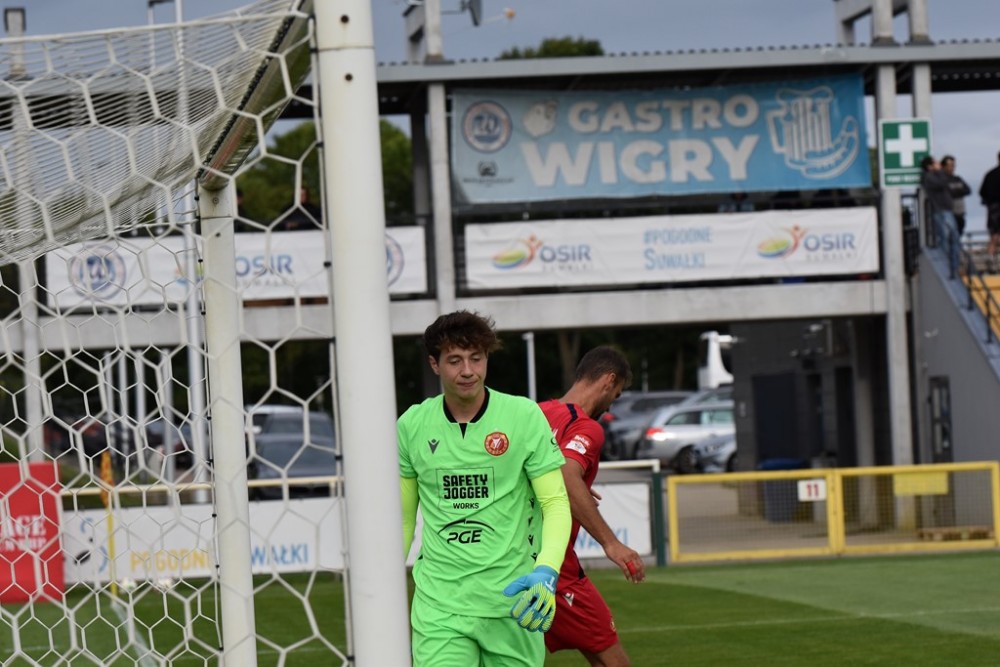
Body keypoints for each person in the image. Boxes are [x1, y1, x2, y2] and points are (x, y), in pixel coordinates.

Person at [398, 310, 572, 666]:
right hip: (439, 605)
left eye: (476, 358)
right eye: (455, 360)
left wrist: (546, 571)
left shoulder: (523, 417)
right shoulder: (411, 425)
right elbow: (402, 520)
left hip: (513, 600)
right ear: (434, 364)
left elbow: (555, 503)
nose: (468, 371)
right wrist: (383, 584)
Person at [538, 346, 646, 667]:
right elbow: (566, 473)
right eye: (617, 393)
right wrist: (612, 544)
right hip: (555, 568)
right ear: (608, 380)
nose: (612, 403)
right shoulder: (586, 427)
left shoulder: (537, 413)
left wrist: (575, 486)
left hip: (511, 560)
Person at [920, 155, 960, 268]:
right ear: (930, 166)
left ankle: (953, 265)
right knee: (946, 238)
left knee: (953, 238)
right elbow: (943, 182)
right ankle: (947, 265)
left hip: (945, 210)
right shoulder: (930, 178)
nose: (939, 165)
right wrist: (940, 171)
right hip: (941, 211)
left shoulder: (934, 176)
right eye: (935, 163)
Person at [941, 155, 972, 236]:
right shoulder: (942, 180)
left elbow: (968, 190)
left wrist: (955, 191)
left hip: (960, 212)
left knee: (959, 233)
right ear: (944, 166)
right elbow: (947, 192)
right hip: (949, 212)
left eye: (953, 165)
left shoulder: (958, 178)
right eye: (950, 165)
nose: (952, 168)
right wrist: (959, 191)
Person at [979, 151, 1000, 266]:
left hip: (992, 208)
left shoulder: (990, 174)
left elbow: (982, 192)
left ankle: (990, 258)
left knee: (994, 235)